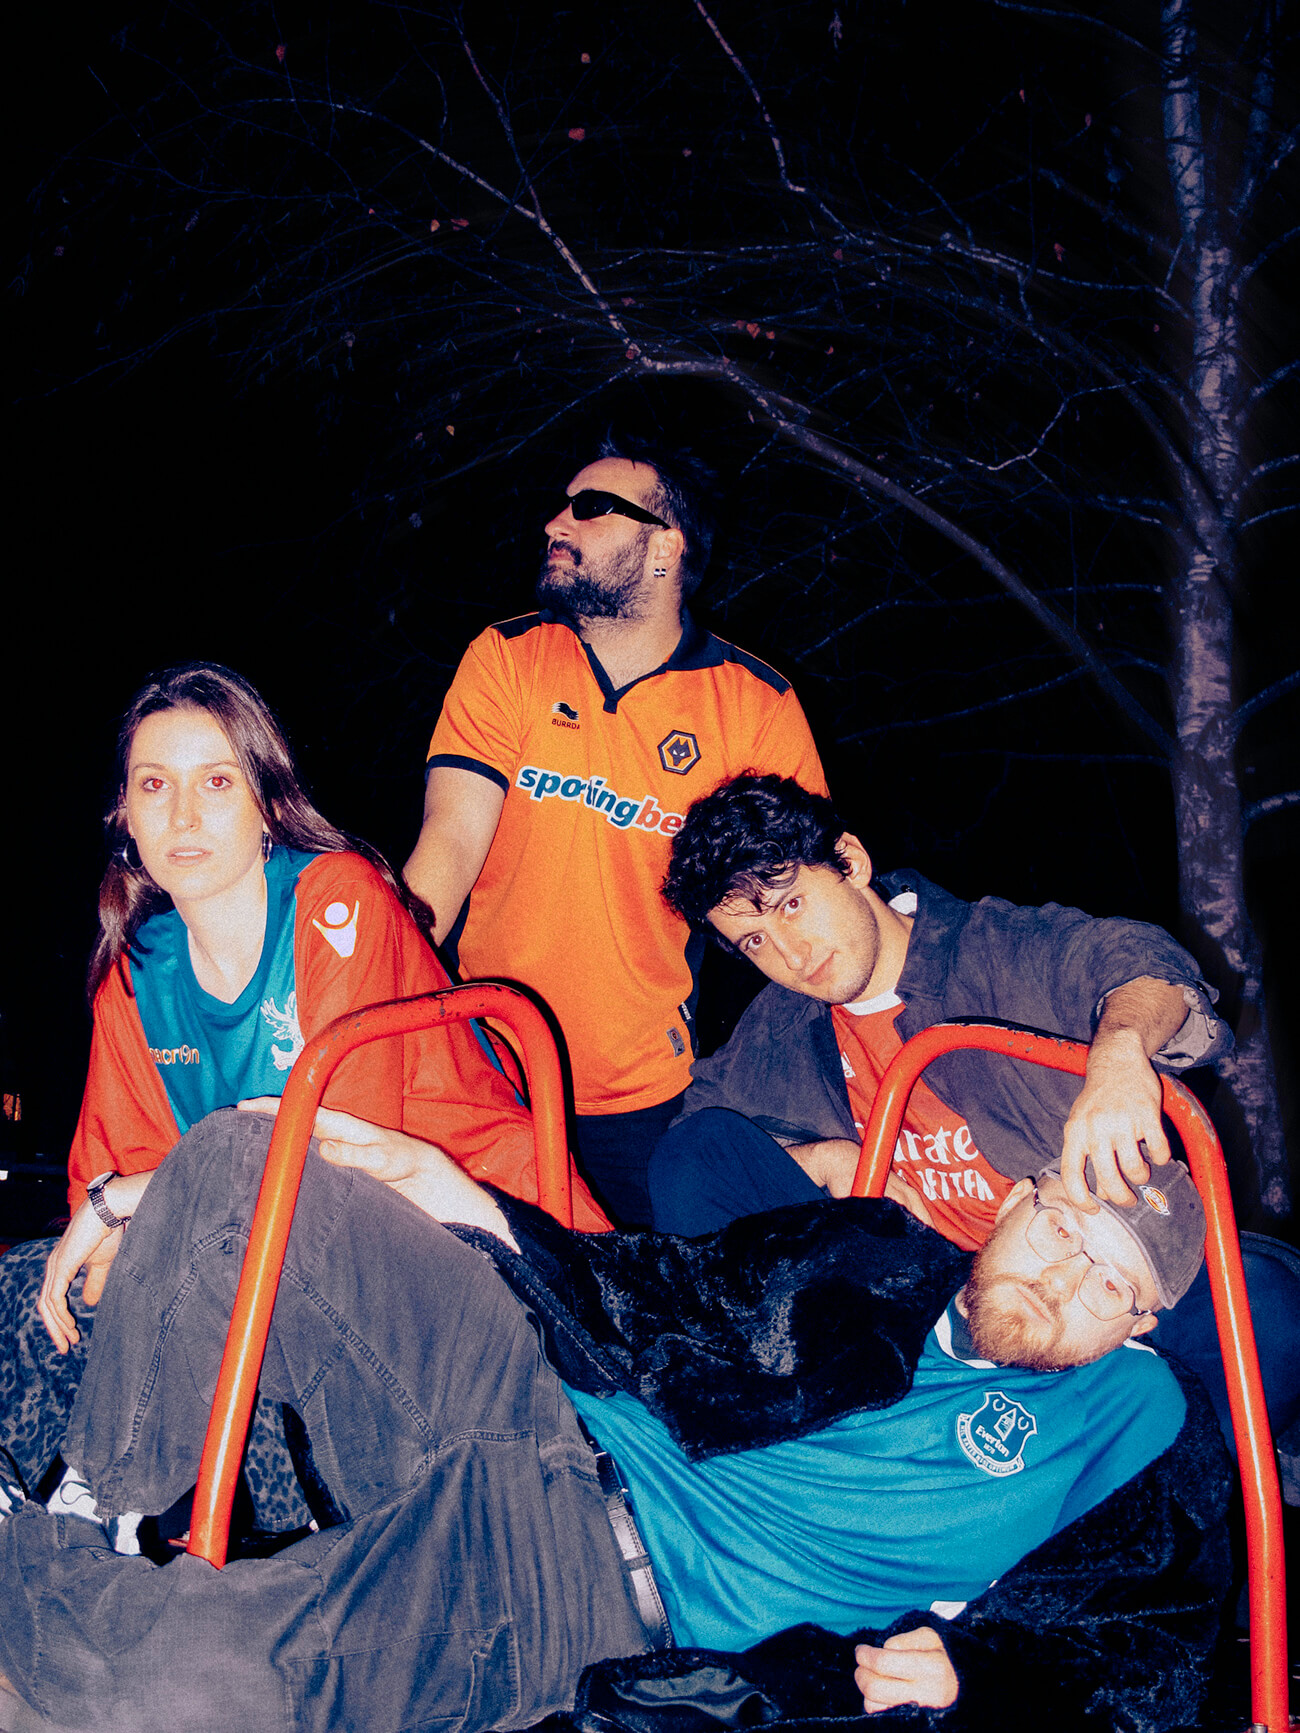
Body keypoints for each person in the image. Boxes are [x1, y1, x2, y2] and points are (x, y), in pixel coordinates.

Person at [0, 1104, 1229, 1733]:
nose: (1063, 1277)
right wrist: (476, 1208)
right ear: (1012, 1198)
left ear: (1139, 1326)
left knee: (174, 1683)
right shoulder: (870, 1247)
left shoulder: (1135, 1416)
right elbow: (664, 1288)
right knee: (238, 1161)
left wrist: (995, 1681)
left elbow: (1161, 1638)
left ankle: (41, 1576)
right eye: (1062, 1225)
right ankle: (92, 1510)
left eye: (1111, 1283)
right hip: (532, 1399)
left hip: (578, 1578)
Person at [0, 662, 605, 1502]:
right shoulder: (137, 972)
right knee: (32, 1292)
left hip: (488, 1244)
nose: (183, 814)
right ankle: (72, 1516)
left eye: (217, 781)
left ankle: (111, 1497)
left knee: (209, 1293)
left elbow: (338, 1173)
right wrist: (114, 1226)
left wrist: (126, 1203)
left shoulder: (337, 901)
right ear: (125, 816)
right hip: (293, 1260)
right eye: (154, 784)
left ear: (267, 804)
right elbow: (105, 1194)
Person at [647, 773, 1300, 1453]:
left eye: (791, 905)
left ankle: (1131, 1487)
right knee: (696, 1159)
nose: (791, 954)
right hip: (914, 1301)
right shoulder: (780, 1025)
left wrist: (1121, 1050)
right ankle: (784, 1437)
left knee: (1269, 1313)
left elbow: (1141, 963)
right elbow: (697, 1148)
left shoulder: (995, 945)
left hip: (1076, 1282)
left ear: (851, 862)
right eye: (753, 941)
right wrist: (823, 1159)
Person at [404, 441, 826, 1224]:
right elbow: (450, 842)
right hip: (486, 1064)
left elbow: (801, 910)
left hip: (644, 1101)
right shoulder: (507, 658)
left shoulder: (756, 706)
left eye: (590, 508)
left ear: (665, 547)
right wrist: (381, 976)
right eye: (562, 505)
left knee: (639, 1291)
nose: (555, 523)